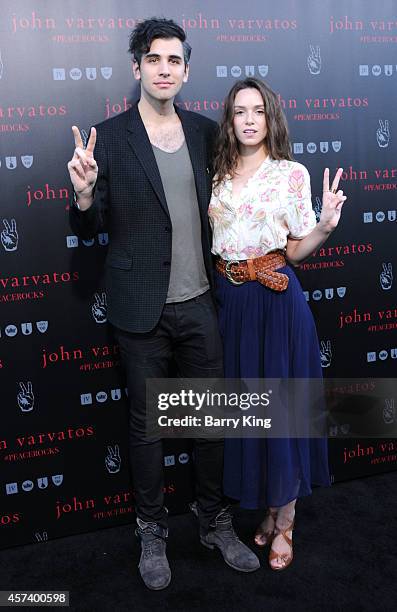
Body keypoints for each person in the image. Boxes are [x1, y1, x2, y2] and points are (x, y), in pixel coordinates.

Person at [67, 18, 259, 591]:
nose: (165, 69)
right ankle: (151, 531)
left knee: (209, 424)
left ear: (186, 69)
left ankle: (213, 522)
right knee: (149, 429)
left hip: (201, 301)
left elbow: (240, 198)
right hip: (139, 310)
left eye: (174, 60)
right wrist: (81, 191)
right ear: (137, 67)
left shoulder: (206, 133)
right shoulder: (111, 136)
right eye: (154, 59)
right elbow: (90, 221)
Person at [208, 78, 346, 571]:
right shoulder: (216, 173)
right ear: (230, 120)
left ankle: (285, 519)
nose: (248, 119)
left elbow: (293, 250)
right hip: (231, 302)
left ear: (271, 119)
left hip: (276, 301)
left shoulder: (291, 174)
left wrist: (325, 227)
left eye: (258, 111)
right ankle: (268, 507)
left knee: (283, 410)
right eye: (240, 111)